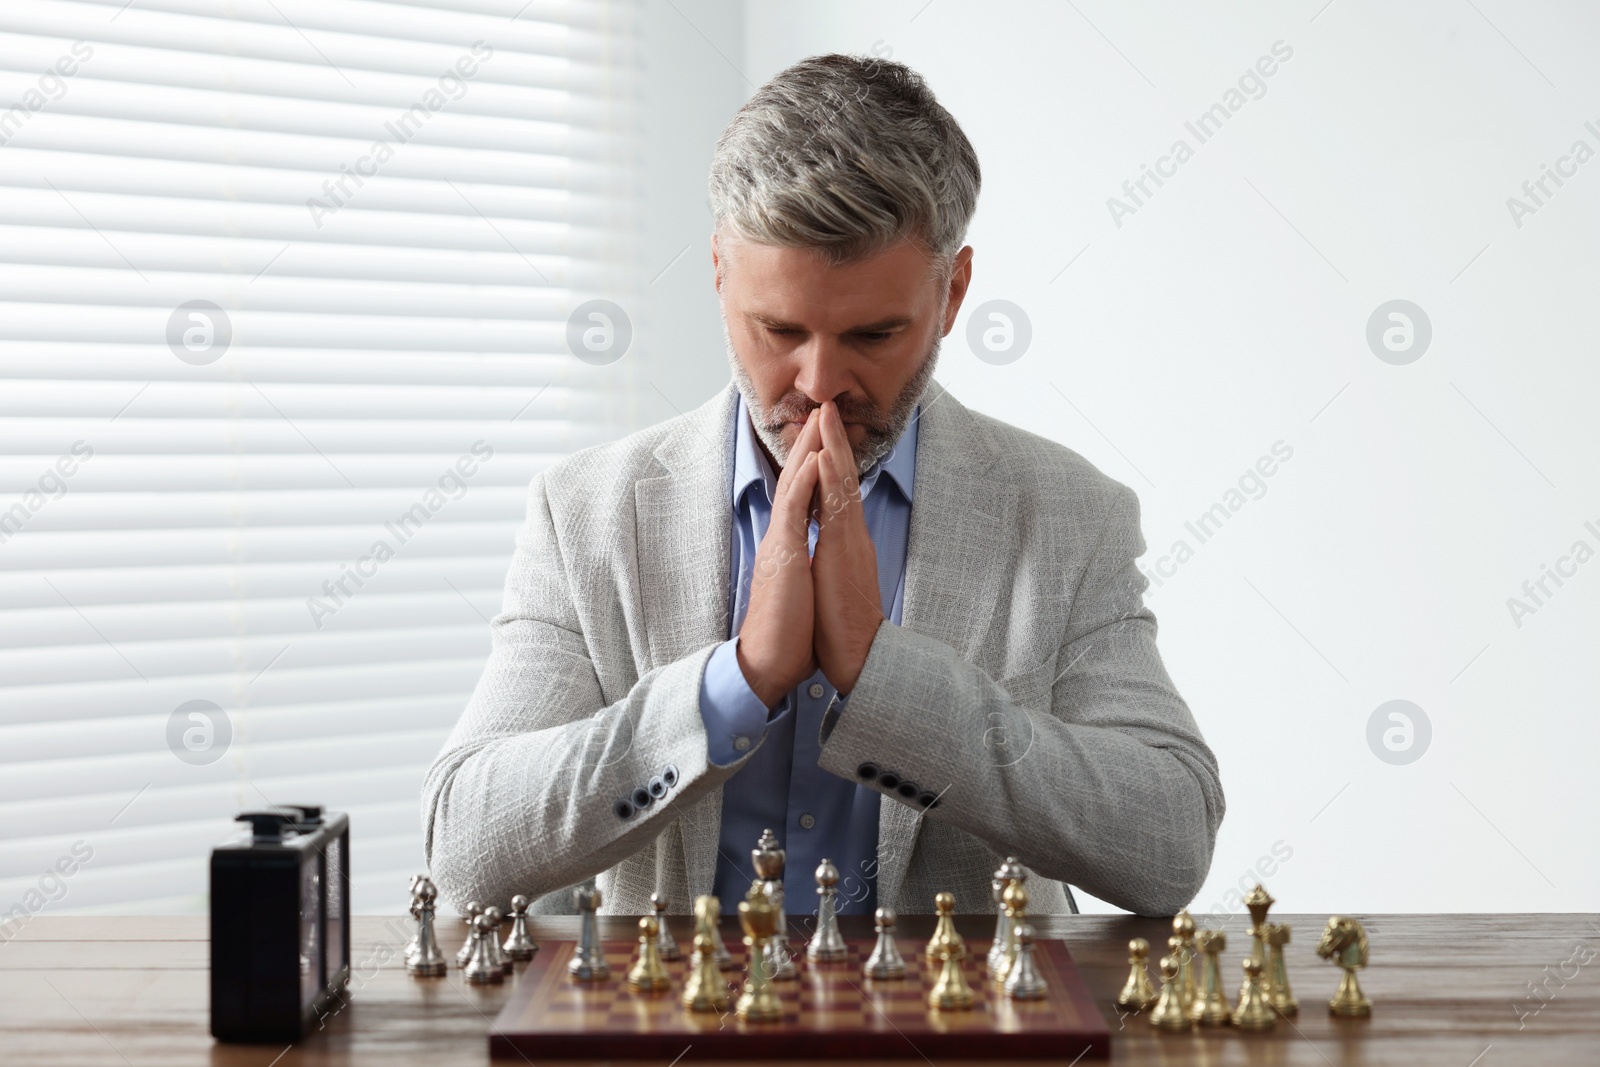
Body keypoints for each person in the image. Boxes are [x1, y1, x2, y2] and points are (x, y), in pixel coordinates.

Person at [422, 54, 1223, 919]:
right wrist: (737, 680)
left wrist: (888, 683)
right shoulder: (587, 513)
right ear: (721, 271)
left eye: (874, 334)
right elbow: (467, 846)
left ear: (951, 295)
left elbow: (1168, 843)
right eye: (779, 329)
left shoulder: (1070, 516)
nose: (819, 381)